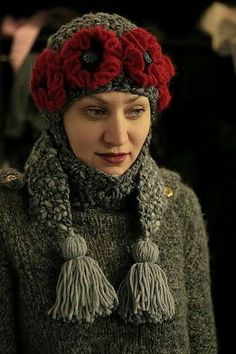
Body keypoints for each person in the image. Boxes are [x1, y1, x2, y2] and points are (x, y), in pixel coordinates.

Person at [0, 12, 217, 354]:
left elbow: (203, 342)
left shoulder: (179, 206)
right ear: (58, 118)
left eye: (135, 111)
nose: (118, 137)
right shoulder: (10, 214)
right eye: (95, 111)